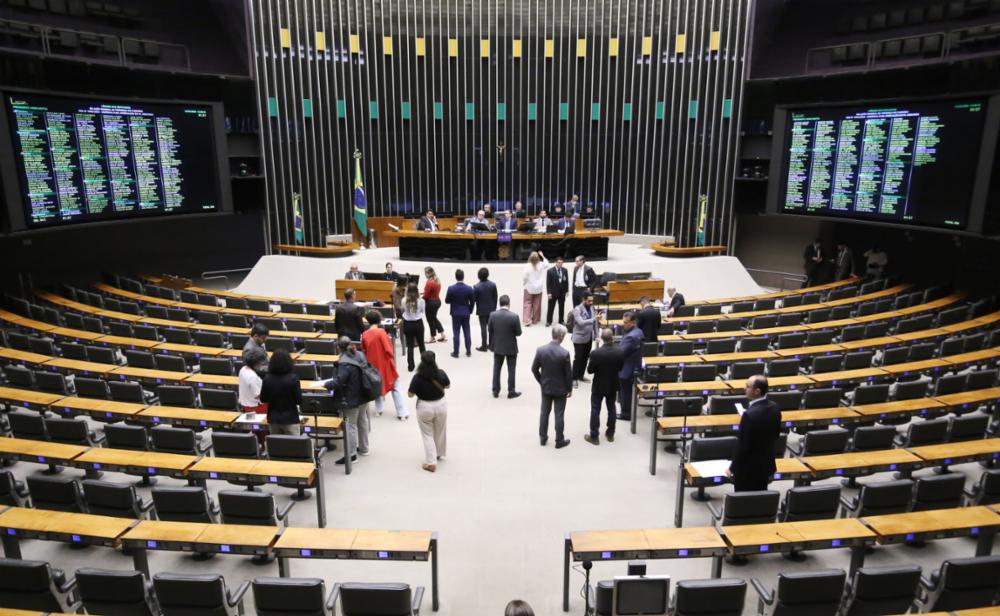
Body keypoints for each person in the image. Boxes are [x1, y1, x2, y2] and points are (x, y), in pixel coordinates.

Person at [728, 374, 781, 491]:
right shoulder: (775, 407)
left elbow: (743, 446)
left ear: (757, 391)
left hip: (747, 471)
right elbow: (776, 434)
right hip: (766, 465)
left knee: (743, 499)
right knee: (759, 497)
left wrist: (732, 468)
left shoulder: (749, 415)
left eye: (747, 386)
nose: (744, 388)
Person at [323, 336, 370, 464]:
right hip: (364, 393)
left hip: (352, 397)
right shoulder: (360, 354)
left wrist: (326, 384)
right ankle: (364, 448)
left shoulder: (344, 362)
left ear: (339, 348)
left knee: (350, 426)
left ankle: (351, 455)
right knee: (362, 420)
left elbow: (339, 381)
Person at [408, 350, 450, 473]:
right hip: (441, 405)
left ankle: (431, 462)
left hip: (424, 407)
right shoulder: (441, 373)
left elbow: (410, 394)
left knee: (427, 434)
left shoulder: (417, 377)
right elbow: (447, 386)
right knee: (440, 430)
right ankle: (439, 453)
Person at [532, 324, 573, 448]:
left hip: (546, 387)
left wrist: (541, 381)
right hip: (560, 389)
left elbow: (534, 369)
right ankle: (559, 440)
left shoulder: (541, 350)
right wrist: (569, 389)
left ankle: (543, 438)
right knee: (559, 414)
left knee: (544, 413)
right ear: (561, 336)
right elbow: (568, 374)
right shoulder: (564, 353)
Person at [362, 310, 408, 420]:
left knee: (376, 385)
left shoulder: (365, 334)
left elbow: (364, 351)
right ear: (379, 320)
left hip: (373, 365)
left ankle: (378, 410)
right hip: (385, 364)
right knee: (395, 387)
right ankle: (402, 413)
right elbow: (389, 350)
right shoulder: (381, 332)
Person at [585, 328, 624, 445]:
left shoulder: (596, 353)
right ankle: (610, 433)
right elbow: (620, 368)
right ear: (612, 337)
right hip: (613, 383)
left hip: (599, 384)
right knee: (611, 408)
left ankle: (594, 436)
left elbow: (590, 370)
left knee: (595, 409)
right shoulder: (620, 352)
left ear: (601, 338)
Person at [259, 348, 302, 436]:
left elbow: (263, 399)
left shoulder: (267, 379)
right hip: (290, 419)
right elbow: (299, 400)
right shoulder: (293, 379)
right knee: (293, 444)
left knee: (276, 444)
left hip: (273, 419)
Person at [487, 294, 522, 399]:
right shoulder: (514, 316)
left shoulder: (493, 315)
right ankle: (511, 391)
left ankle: (495, 390)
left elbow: (490, 330)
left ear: (499, 303)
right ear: (509, 304)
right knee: (511, 370)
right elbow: (518, 333)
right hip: (511, 347)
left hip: (498, 346)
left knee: (497, 368)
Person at [616, 311, 644, 421]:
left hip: (626, 369)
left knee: (625, 393)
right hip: (635, 366)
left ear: (633, 322)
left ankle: (626, 414)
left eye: (626, 322)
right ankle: (628, 411)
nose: (624, 324)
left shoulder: (631, 337)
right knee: (628, 392)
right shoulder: (639, 331)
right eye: (623, 322)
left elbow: (620, 353)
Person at [570, 292, 599, 386]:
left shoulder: (592, 308)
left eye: (592, 301)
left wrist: (597, 335)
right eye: (589, 301)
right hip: (579, 338)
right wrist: (593, 319)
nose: (591, 302)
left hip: (589, 337)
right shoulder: (577, 309)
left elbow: (595, 323)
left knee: (585, 358)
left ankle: (580, 375)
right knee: (578, 358)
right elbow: (581, 323)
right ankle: (574, 378)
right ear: (584, 299)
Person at [445, 269, 475, 358]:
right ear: (463, 277)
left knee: (456, 333)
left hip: (455, 313)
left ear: (456, 277)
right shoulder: (469, 288)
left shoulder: (451, 288)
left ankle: (456, 352)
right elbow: (472, 301)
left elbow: (447, 301)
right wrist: (470, 310)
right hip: (466, 312)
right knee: (467, 332)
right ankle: (468, 351)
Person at [401, 283, 427, 372]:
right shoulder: (421, 301)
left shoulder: (404, 300)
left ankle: (411, 366)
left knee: (410, 346)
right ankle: (425, 365)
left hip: (408, 324)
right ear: (417, 290)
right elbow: (423, 311)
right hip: (418, 324)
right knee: (421, 345)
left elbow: (403, 310)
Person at [473, 267, 498, 352]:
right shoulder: (493, 285)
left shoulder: (476, 287)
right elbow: (495, 297)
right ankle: (491, 345)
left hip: (481, 310)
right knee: (491, 328)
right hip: (491, 309)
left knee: (483, 328)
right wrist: (494, 308)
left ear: (479, 276)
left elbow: (474, 299)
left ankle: (484, 346)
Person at [522, 251, 549, 326]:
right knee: (537, 304)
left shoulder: (527, 265)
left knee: (527, 303)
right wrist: (542, 255)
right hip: (538, 288)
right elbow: (547, 264)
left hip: (529, 287)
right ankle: (535, 320)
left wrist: (524, 283)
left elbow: (524, 277)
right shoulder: (541, 264)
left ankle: (527, 320)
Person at [238, 346, 268, 414]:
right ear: (257, 363)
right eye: (262, 362)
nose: (263, 364)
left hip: (246, 404)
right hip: (256, 408)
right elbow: (259, 396)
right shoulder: (252, 377)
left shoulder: (243, 369)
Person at [423, 266, 446, 343]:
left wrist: (420, 298)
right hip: (437, 302)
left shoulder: (429, 282)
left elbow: (426, 296)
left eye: (425, 273)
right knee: (434, 318)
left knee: (430, 320)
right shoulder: (437, 280)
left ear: (428, 273)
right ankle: (442, 335)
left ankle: (432, 338)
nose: (425, 274)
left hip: (430, 303)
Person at [545, 256, 569, 327]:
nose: (560, 264)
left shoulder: (565, 270)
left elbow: (566, 281)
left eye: (561, 262)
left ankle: (561, 320)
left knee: (561, 307)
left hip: (562, 292)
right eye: (558, 262)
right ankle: (549, 321)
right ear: (555, 262)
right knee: (551, 307)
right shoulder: (550, 271)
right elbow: (548, 283)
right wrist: (549, 293)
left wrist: (567, 290)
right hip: (553, 292)